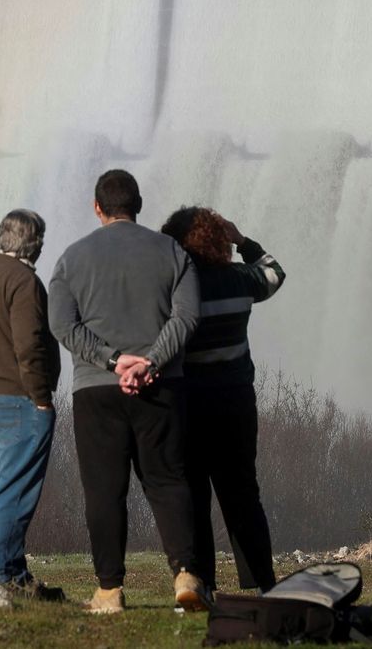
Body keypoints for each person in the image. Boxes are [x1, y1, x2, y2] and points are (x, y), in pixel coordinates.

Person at [48, 169, 208, 614]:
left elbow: (62, 324)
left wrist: (112, 360)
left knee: (104, 490)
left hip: (96, 391)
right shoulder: (172, 252)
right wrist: (151, 361)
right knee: (168, 480)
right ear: (138, 205)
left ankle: (109, 590)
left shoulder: (71, 259)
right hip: (163, 387)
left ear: (97, 207)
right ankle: (185, 575)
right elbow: (188, 316)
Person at [159, 206, 286, 594]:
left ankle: (202, 586)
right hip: (235, 403)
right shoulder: (240, 280)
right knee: (243, 495)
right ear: (219, 241)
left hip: (190, 403)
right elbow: (275, 273)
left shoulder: (179, 288)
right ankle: (261, 584)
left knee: (194, 496)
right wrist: (243, 240)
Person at [0, 208, 64, 603]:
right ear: (34, 243)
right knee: (15, 492)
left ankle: (14, 571)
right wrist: (42, 398)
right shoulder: (24, 282)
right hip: (20, 400)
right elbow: (29, 345)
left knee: (3, 487)